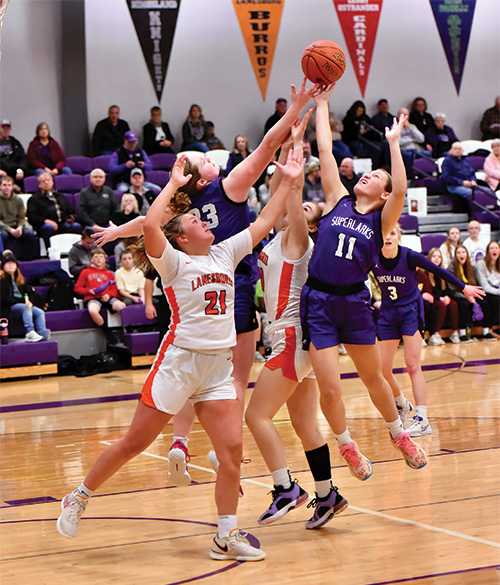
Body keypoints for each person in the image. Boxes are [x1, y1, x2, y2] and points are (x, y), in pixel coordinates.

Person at [56, 151, 303, 562]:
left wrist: (289, 181)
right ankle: (78, 496)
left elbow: (262, 223)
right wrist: (172, 184)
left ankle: (226, 536)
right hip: (179, 363)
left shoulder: (224, 253)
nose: (205, 222)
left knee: (231, 453)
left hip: (217, 369)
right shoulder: (172, 261)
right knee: (136, 442)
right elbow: (152, 224)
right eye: (195, 221)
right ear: (183, 236)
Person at [89, 79, 318, 484]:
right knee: (233, 376)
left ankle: (180, 440)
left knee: (193, 371)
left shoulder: (180, 211)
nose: (213, 160)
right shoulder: (227, 189)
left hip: (191, 291)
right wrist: (293, 113)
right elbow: (266, 151)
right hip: (233, 284)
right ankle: (225, 447)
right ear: (201, 179)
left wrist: (116, 233)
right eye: (205, 160)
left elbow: (148, 222)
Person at [300, 84, 426, 481]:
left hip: (354, 303)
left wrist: (393, 143)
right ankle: (347, 447)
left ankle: (398, 434)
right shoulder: (337, 198)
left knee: (374, 378)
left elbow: (402, 188)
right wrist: (322, 105)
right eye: (368, 171)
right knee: (331, 390)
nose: (367, 174)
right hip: (318, 301)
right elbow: (324, 151)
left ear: (383, 194)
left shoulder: (381, 220)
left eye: (376, 176)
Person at [245, 113, 348, 530]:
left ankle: (286, 487)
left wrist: (298, 144)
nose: (295, 204)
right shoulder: (277, 236)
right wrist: (289, 141)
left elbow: (290, 188)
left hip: (289, 338)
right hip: (296, 341)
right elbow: (278, 190)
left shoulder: (298, 239)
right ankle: (327, 496)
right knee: (305, 424)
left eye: (305, 207)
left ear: (311, 221)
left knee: (255, 417)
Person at [374, 226, 483, 438]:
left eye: (392, 233)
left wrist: (463, 287)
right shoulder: (373, 257)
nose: (388, 237)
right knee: (383, 369)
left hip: (410, 312)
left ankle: (422, 419)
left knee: (413, 365)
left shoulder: (409, 256)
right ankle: (401, 404)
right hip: (387, 314)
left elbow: (439, 270)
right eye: (384, 234)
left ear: (399, 236)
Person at [74, 248, 126, 345]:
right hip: (93, 298)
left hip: (107, 297)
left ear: (104, 259)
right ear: (92, 259)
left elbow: (114, 289)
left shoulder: (109, 273)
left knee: (122, 306)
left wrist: (108, 295)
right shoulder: (85, 272)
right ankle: (108, 334)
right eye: (96, 257)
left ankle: (125, 331)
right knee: (93, 310)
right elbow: (77, 288)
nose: (98, 259)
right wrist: (89, 291)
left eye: (101, 257)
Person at [0, 251, 50, 342]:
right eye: (7, 264)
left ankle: (42, 332)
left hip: (23, 305)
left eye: (12, 263)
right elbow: (4, 299)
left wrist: (30, 302)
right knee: (25, 307)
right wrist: (23, 301)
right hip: (9, 308)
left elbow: (31, 295)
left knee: (39, 312)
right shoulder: (1, 281)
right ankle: (30, 331)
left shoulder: (21, 281)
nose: (10, 266)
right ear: (3, 267)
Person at [449, 245, 496, 341]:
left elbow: (476, 285)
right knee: (464, 304)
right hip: (458, 295)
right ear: (455, 255)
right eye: (459, 253)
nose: (461, 255)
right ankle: (462, 333)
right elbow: (452, 289)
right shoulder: (451, 269)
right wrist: (467, 297)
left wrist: (473, 296)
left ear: (467, 255)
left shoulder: (472, 268)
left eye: (463, 252)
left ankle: (486, 331)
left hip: (471, 294)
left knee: (485, 302)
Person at [27, 171, 82, 249]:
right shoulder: (34, 199)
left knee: (76, 226)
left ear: (52, 182)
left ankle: (76, 250)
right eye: (43, 181)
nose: (46, 183)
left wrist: (70, 216)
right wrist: (46, 221)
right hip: (45, 225)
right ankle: (50, 251)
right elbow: (32, 217)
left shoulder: (60, 196)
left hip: (62, 223)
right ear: (39, 184)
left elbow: (70, 210)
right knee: (48, 228)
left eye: (48, 180)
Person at [441, 142, 497, 216]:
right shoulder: (447, 162)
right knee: (472, 194)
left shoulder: (465, 160)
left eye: (459, 149)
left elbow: (472, 173)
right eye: (455, 149)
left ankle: (493, 211)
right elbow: (447, 177)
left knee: (488, 191)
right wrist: (462, 182)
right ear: (451, 150)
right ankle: (476, 214)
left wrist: (473, 180)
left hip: (470, 184)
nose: (457, 150)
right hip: (455, 186)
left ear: (462, 151)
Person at [425, 247, 461, 345]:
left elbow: (447, 290)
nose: (437, 259)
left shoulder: (442, 273)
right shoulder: (426, 273)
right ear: (429, 258)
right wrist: (440, 298)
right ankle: (435, 334)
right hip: (433, 299)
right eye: (434, 256)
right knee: (440, 305)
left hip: (441, 298)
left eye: (439, 257)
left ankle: (454, 332)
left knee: (453, 304)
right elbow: (429, 291)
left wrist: (447, 297)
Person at [0, 175, 39, 260]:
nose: (7, 187)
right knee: (3, 236)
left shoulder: (18, 199)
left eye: (9, 185)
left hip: (16, 226)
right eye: (4, 185)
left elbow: (22, 217)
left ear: (12, 186)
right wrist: (9, 229)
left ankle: (30, 260)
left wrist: (20, 227)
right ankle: (4, 260)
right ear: (0, 186)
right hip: (3, 228)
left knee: (30, 234)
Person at [341, 100, 381, 168]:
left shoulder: (365, 118)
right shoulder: (348, 119)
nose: (360, 113)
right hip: (353, 140)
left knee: (377, 147)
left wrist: (368, 130)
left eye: (361, 111)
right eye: (358, 111)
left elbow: (371, 127)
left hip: (366, 139)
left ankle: (375, 166)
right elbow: (347, 133)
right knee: (360, 148)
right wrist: (358, 132)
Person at [475, 241, 500, 333]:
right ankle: (488, 329)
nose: (494, 250)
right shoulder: (481, 264)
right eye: (492, 248)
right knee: (496, 300)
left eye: (496, 248)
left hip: (496, 291)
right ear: (487, 251)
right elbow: (484, 285)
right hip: (483, 292)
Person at [0, 120, 27, 185]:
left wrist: (20, 169)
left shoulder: (15, 143)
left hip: (14, 170)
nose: (5, 130)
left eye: (8, 128)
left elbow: (23, 158)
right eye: (3, 128)